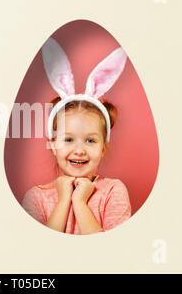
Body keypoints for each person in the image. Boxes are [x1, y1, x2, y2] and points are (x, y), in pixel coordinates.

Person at [21, 38, 131, 235]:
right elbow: (37, 254)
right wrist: (64, 200)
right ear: (53, 144)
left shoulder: (113, 192)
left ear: (103, 147)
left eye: (90, 140)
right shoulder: (36, 198)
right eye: (69, 139)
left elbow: (114, 254)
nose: (79, 150)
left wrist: (80, 203)